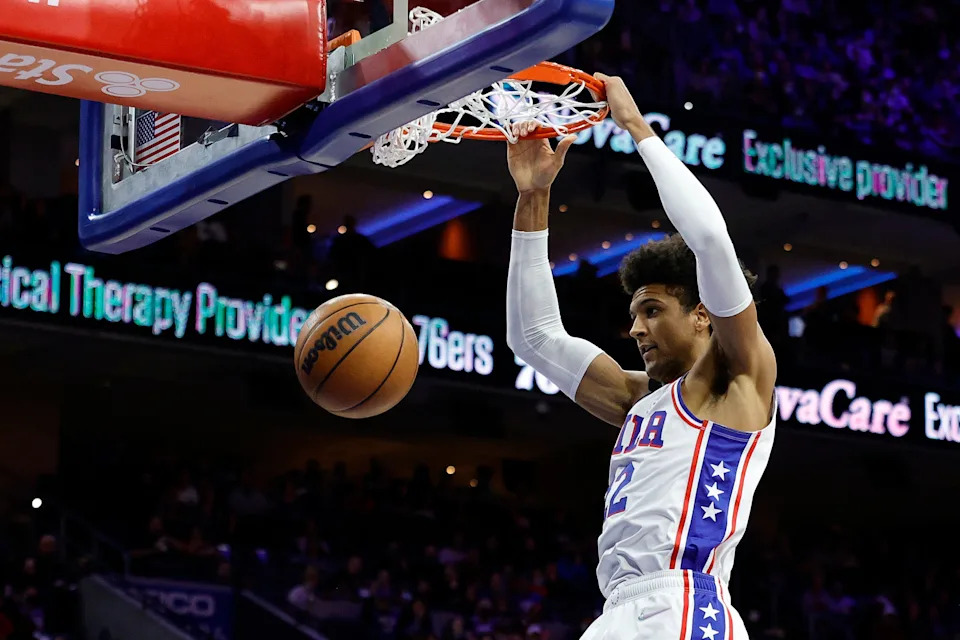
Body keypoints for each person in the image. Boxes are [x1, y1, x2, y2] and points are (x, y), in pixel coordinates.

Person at [504, 74, 778, 639]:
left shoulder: (738, 377)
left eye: (652, 310)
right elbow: (532, 337)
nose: (634, 329)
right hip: (616, 612)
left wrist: (635, 127)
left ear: (702, 313)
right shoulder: (639, 399)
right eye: (633, 314)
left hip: (684, 603)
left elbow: (709, 239)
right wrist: (533, 197)